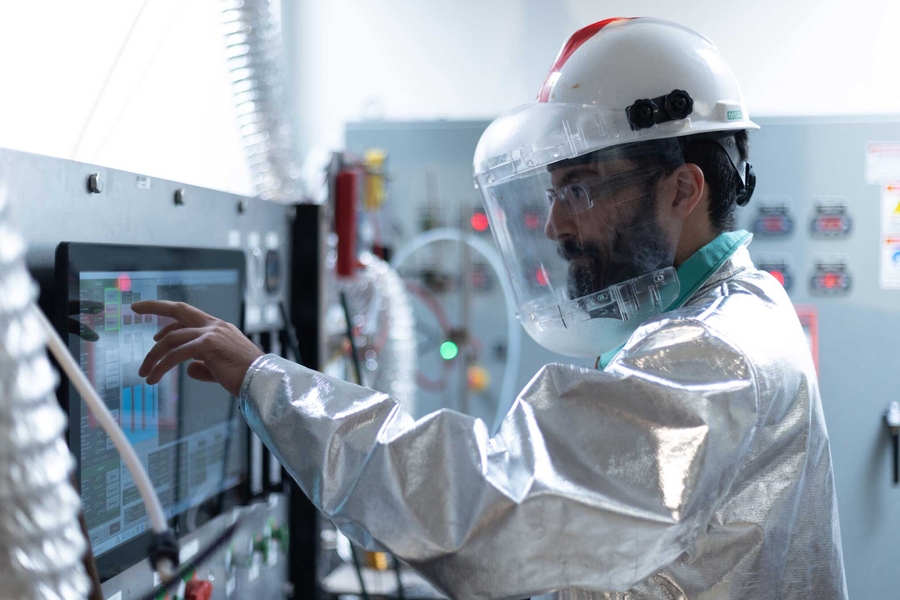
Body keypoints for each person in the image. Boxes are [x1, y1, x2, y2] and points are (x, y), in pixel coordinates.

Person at [131, 17, 848, 600]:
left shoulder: (713, 356)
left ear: (683, 190)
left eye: (582, 190)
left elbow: (496, 512)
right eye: (556, 192)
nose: (557, 227)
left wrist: (267, 381)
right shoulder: (721, 318)